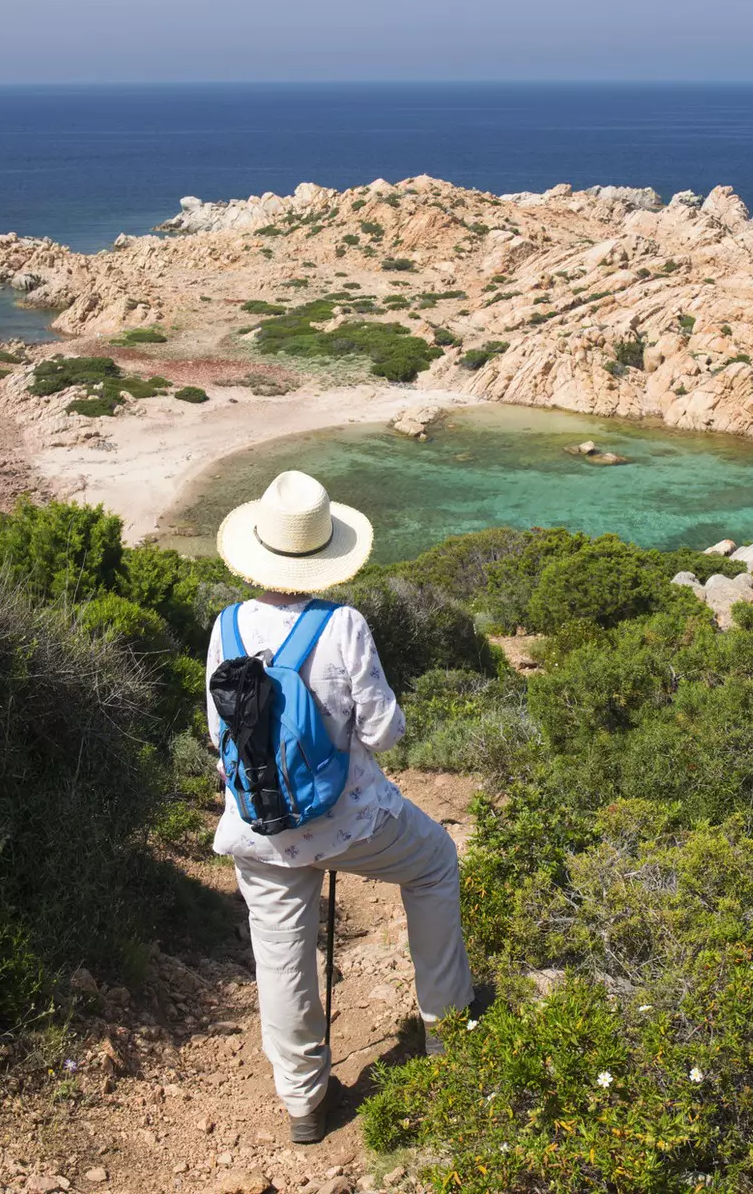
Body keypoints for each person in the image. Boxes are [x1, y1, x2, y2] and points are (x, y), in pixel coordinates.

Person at [206, 470, 474, 1144]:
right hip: (348, 820)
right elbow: (384, 731)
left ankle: (303, 1101)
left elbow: (218, 734)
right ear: (325, 551)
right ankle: (448, 1033)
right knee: (436, 863)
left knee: (281, 951)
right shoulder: (344, 623)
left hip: (259, 824)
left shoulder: (227, 623)